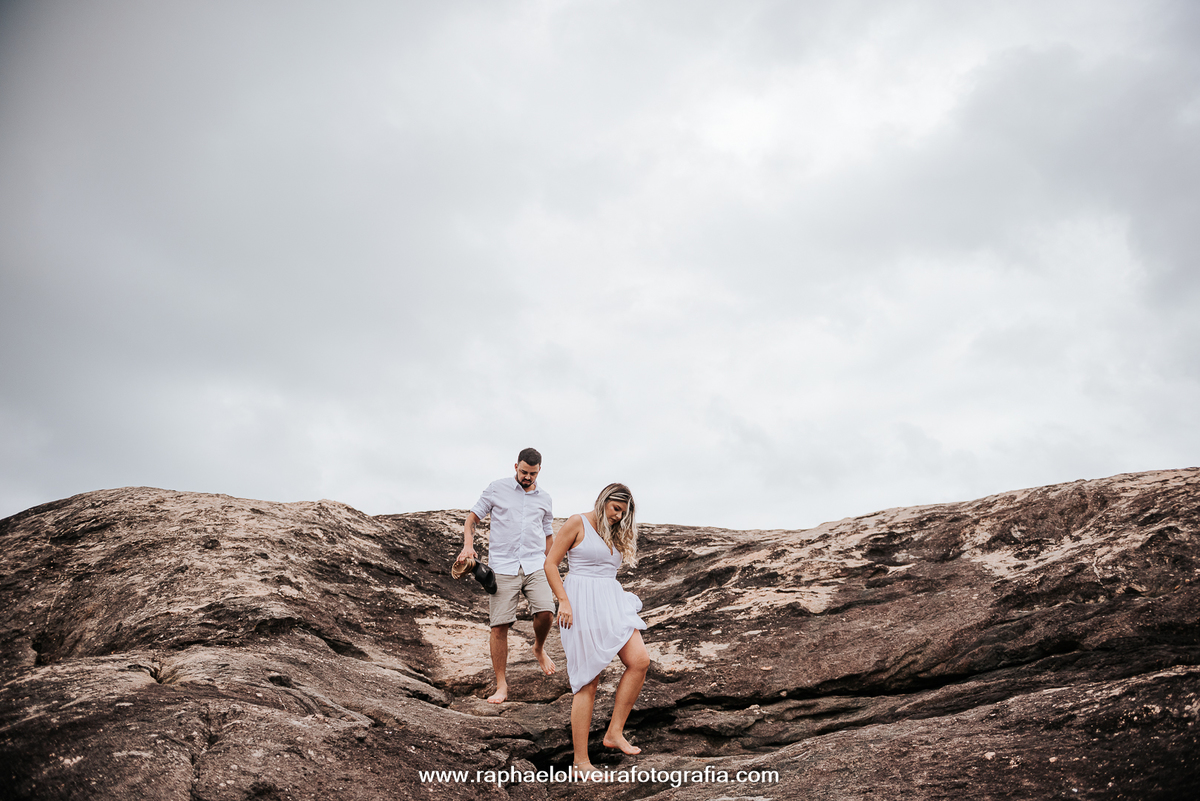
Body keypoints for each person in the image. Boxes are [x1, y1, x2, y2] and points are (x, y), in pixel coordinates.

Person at [544, 482, 649, 778]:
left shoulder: (616, 532)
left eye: (624, 513)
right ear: (603, 501)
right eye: (616, 509)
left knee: (639, 661)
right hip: (580, 602)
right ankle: (580, 762)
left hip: (611, 601)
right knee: (588, 681)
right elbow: (550, 563)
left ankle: (614, 732)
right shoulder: (578, 522)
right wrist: (562, 601)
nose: (618, 516)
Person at [457, 447, 557, 703]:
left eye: (532, 474)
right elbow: (471, 519)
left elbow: (548, 535)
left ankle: (539, 648)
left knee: (546, 612)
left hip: (535, 564)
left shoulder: (545, 498)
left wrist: (551, 564)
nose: (527, 477)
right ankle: (502, 685)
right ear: (515, 467)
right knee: (499, 626)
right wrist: (468, 545)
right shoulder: (496, 488)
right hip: (503, 566)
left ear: (539, 471)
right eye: (523, 472)